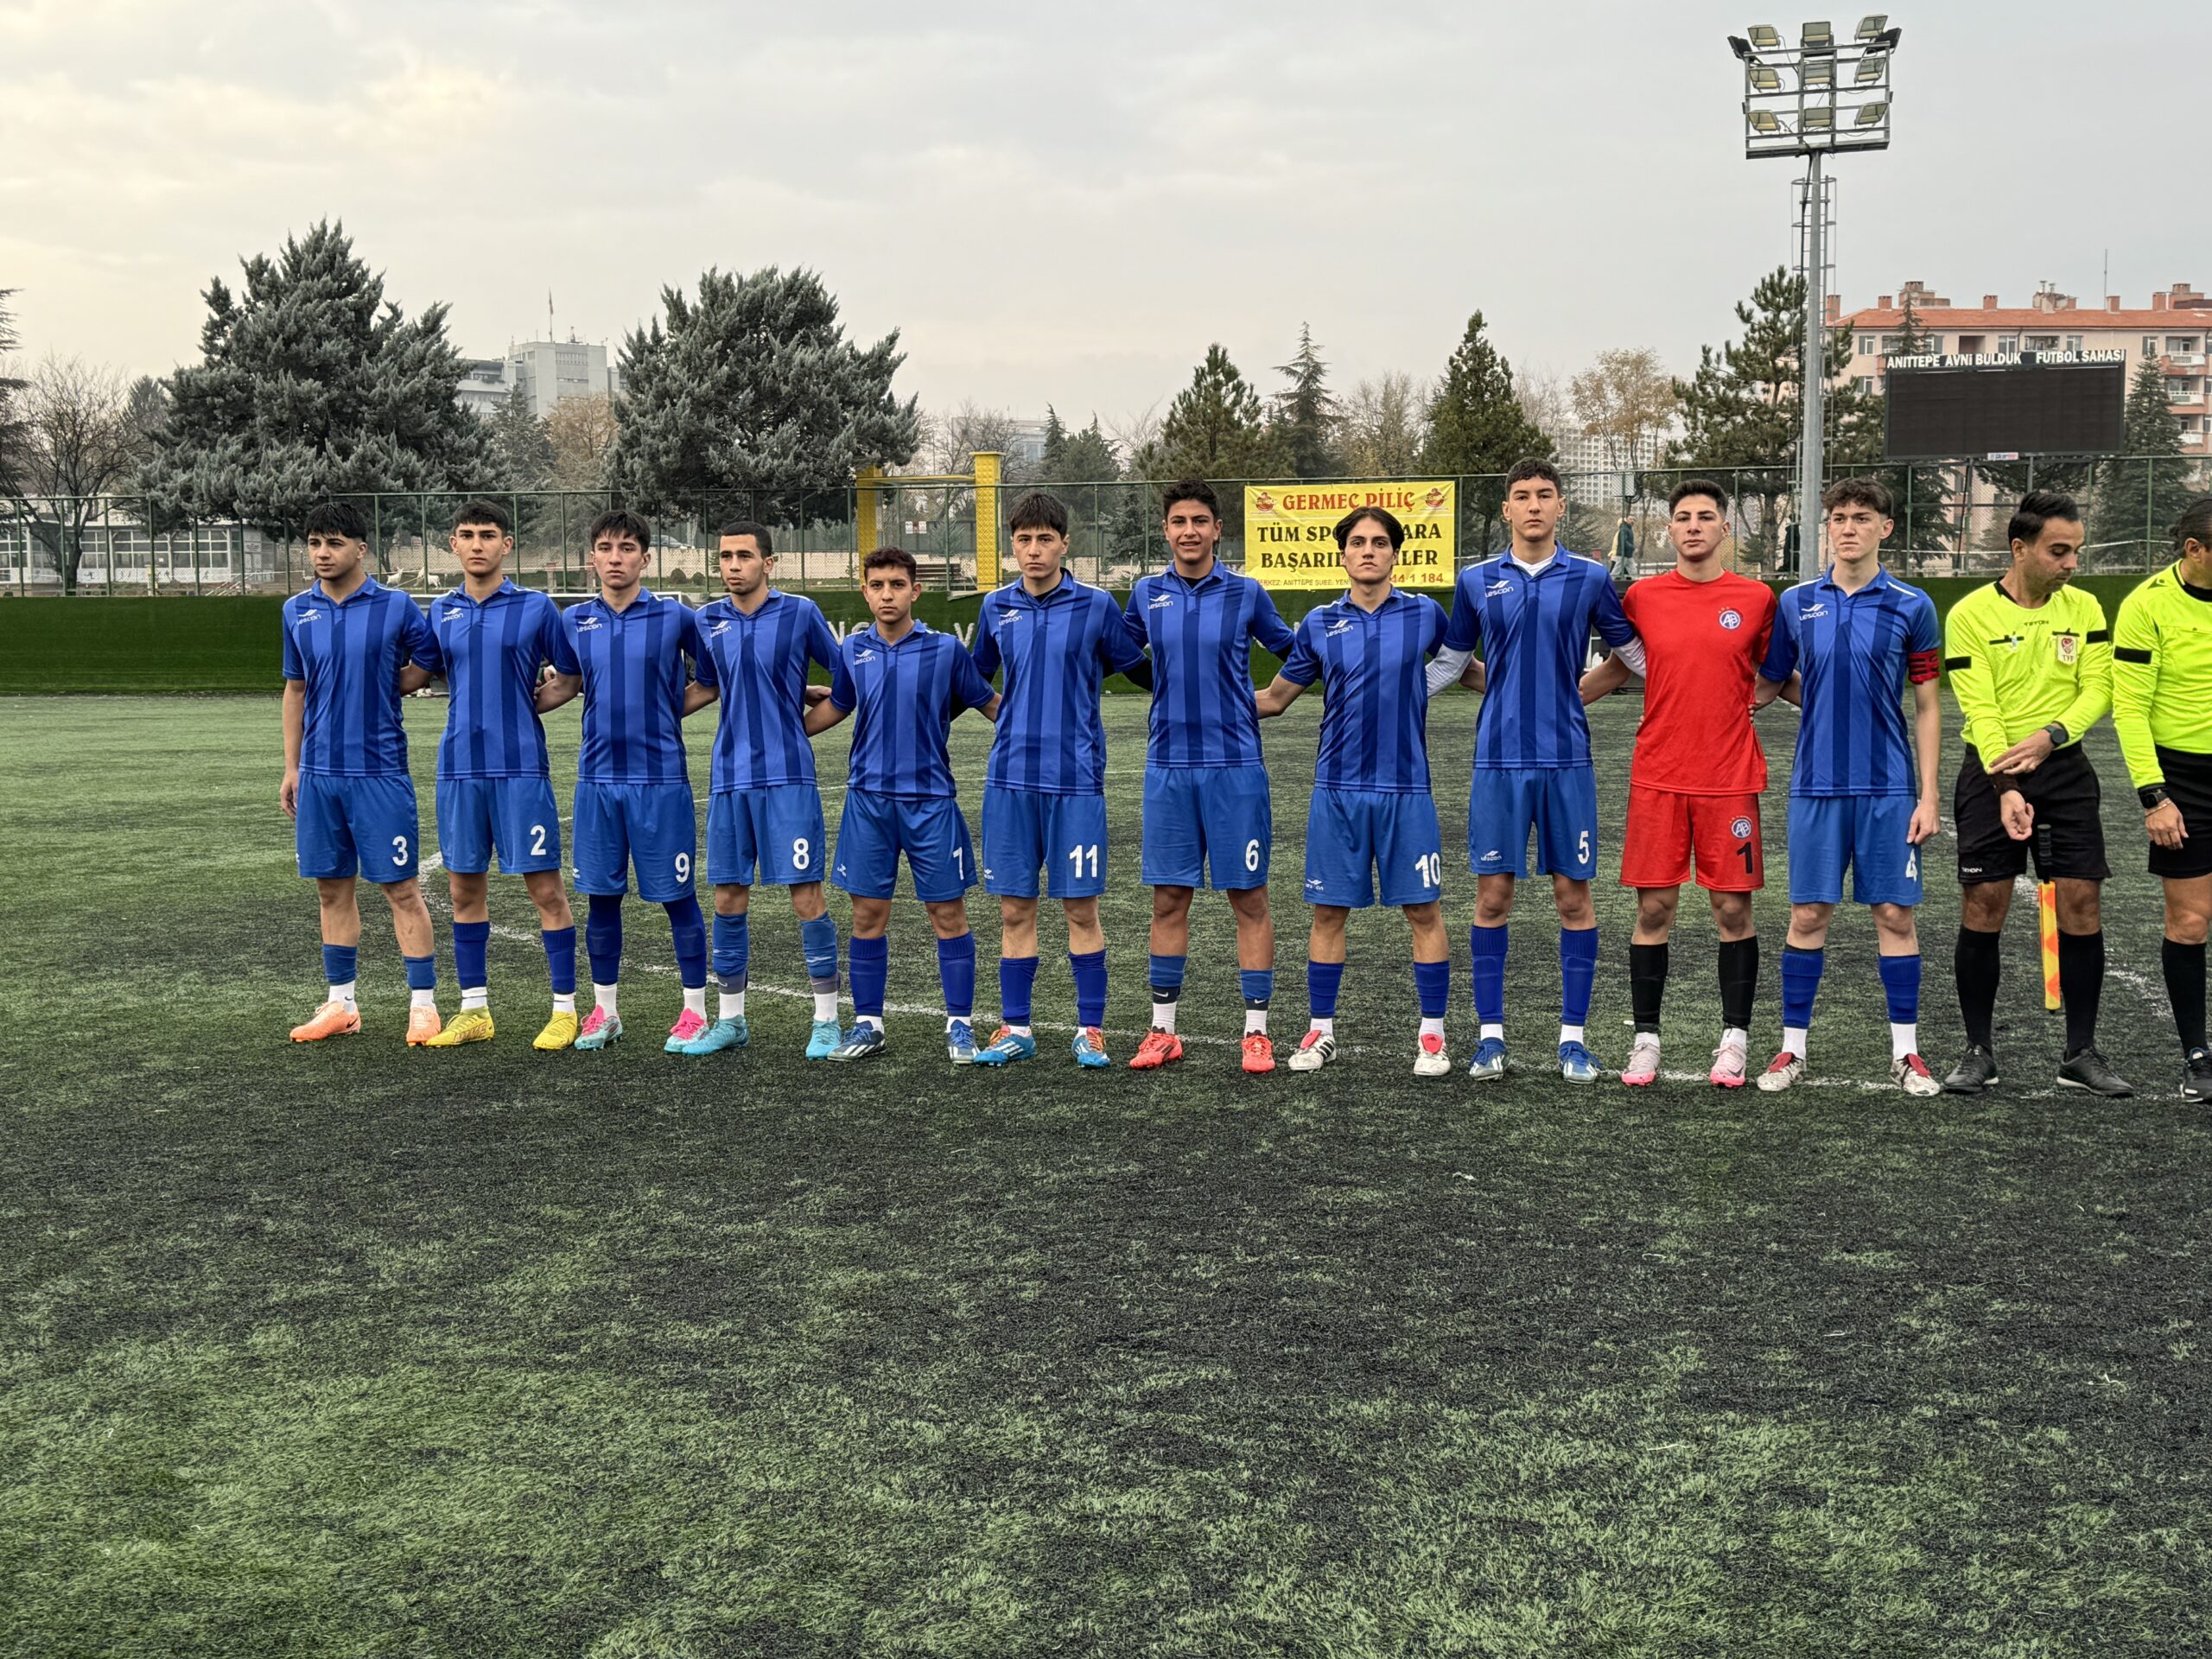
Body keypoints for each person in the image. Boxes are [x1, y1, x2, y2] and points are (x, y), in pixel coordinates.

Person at [1425, 456, 1644, 1083]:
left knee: (1573, 897)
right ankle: (1490, 1039)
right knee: (1492, 896)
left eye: (1545, 495)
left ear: (1560, 506)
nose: (1534, 505)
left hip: (1567, 761)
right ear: (1507, 509)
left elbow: (1633, 656)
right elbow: (1452, 664)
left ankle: (1573, 1041)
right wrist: (1391, 696)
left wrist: (1577, 695)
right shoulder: (1475, 581)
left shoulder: (1590, 578)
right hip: (1498, 760)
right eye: (1522, 495)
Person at [1580, 479, 1776, 1087]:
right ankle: (1646, 1041)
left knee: (1732, 909)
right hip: (1659, 775)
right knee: (1655, 908)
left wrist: (1784, 700)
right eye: (1684, 517)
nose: (1694, 525)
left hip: (1729, 777)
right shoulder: (1643, 597)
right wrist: (1553, 705)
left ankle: (1735, 1041)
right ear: (1670, 529)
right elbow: (1619, 668)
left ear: (1724, 528)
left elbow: (1774, 673)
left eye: (1705, 516)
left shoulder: (1756, 598)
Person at [1752, 478, 1943, 1096]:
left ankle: (1907, 1055)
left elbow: (1927, 705)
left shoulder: (1913, 605)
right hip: (1815, 786)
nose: (1848, 527)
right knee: (1808, 914)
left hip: (1889, 788)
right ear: (1827, 526)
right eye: (1838, 517)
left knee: (1894, 913)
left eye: (1862, 517)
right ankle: (1791, 1050)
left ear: (1885, 528)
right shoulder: (1796, 602)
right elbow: (1772, 681)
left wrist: (1929, 796)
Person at [1941, 491, 2130, 1097]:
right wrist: (2006, 784)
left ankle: (2080, 1053)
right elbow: (1980, 709)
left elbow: (2099, 689)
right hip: (1990, 772)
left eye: (2076, 551)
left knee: (2081, 903)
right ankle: (1978, 1052)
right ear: (2019, 548)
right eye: (2059, 551)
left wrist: (2051, 737)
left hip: (2065, 769)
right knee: (1984, 903)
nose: (2071, 563)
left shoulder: (2085, 608)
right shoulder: (1970, 615)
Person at [1255, 506, 1453, 1076]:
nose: (1369, 550)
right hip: (1336, 790)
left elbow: (1465, 669)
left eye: (1380, 542)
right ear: (1342, 555)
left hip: (1406, 789)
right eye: (1359, 542)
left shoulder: (1425, 614)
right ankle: (1321, 1032)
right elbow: (1275, 698)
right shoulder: (1319, 623)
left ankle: (1433, 1037)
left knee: (1424, 910)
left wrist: (1539, 693)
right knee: (1328, 912)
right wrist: (1205, 709)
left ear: (1395, 553)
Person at [1122, 480, 1300, 1074]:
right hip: (1169, 767)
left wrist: (1270, 700)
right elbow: (1120, 655)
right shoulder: (1146, 594)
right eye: (1179, 521)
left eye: (1200, 520)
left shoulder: (1247, 592)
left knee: (1248, 897)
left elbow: (1297, 654)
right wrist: (1167, 691)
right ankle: (1162, 1031)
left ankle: (1257, 1032)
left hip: (1235, 768)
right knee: (1169, 898)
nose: (1189, 531)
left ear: (1218, 529)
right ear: (1166, 530)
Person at [968, 492, 1148, 1068]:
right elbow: (973, 678)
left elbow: (1140, 669)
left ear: (1065, 544)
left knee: (1080, 911)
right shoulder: (995, 606)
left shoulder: (1097, 606)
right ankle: (1015, 1028)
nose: (1034, 550)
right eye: (1024, 540)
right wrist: (1005, 714)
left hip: (1075, 782)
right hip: (1010, 781)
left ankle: (1090, 1029)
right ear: (1012, 545)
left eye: (1045, 539)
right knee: (1014, 911)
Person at [804, 546, 1000, 1062]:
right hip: (868, 802)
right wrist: (785, 733)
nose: (886, 594)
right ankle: (869, 1024)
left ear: (916, 590)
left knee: (948, 913)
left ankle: (960, 1026)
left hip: (931, 801)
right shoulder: (853, 650)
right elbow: (839, 706)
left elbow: (988, 704)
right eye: (877, 585)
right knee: (868, 914)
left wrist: (1038, 729)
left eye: (896, 585)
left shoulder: (945, 650)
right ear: (864, 592)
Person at [534, 509, 710, 1053]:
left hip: (660, 780)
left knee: (678, 898)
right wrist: (513, 708)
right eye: (606, 548)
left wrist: (663, 713)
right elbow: (566, 684)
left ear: (645, 558)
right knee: (601, 899)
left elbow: (710, 681)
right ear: (592, 558)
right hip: (598, 780)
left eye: (627, 548)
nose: (616, 558)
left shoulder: (676, 617)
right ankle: (605, 1012)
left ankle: (695, 1011)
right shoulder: (574, 621)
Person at [416, 499, 580, 1052]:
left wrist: (526, 708)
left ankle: (564, 1010)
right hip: (459, 768)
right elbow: (419, 672)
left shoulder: (536, 607)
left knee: (546, 889)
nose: (477, 544)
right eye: (467, 535)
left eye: (488, 535)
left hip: (520, 768)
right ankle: (474, 1010)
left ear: (506, 545)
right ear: (453, 544)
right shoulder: (441, 611)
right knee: (463, 888)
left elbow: (569, 677)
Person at [281, 499, 444, 1045]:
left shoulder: (396, 606)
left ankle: (423, 1004)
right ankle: (341, 1004)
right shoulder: (296, 611)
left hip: (379, 771)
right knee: (331, 889)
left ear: (361, 548)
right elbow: (296, 689)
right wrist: (292, 767)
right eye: (314, 544)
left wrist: (388, 686)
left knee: (401, 888)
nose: (322, 554)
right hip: (320, 774)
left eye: (334, 543)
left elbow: (428, 662)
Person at [682, 520, 846, 1060]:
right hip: (729, 779)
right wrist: (642, 712)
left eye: (745, 556)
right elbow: (708, 685)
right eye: (725, 556)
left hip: (788, 779)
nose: (733, 566)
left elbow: (846, 687)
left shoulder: (800, 612)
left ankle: (826, 1020)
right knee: (728, 897)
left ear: (768, 563)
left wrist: (798, 727)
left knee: (806, 896)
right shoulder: (708, 620)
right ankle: (731, 1020)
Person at [2110, 495, 2212, 1100]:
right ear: (2194, 550)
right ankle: (2197, 1056)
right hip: (2183, 780)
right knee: (2190, 921)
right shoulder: (2146, 605)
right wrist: (2155, 797)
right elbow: (2130, 708)